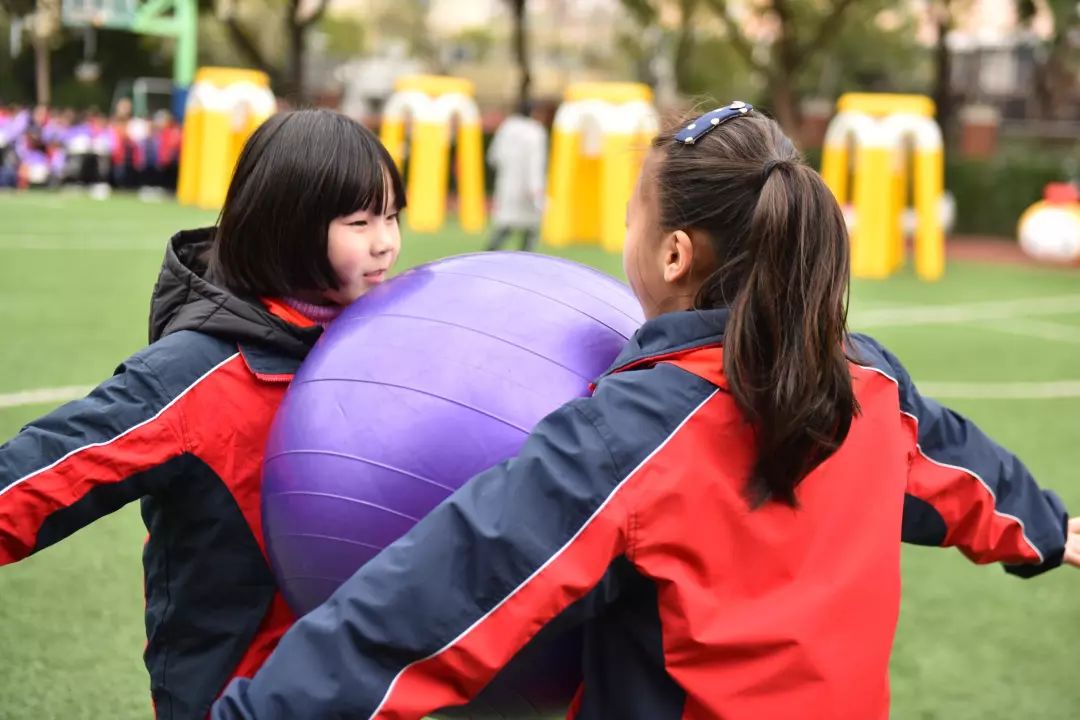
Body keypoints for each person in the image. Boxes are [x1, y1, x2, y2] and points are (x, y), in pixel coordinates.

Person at [212, 103, 1080, 720]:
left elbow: (444, 594)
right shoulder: (867, 384)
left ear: (672, 252)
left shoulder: (631, 435)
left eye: (633, 211)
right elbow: (962, 471)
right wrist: (1051, 527)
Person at [0, 109, 405, 720]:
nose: (385, 241)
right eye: (359, 221)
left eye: (392, 215)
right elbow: (43, 471)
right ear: (287, 227)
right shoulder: (198, 374)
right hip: (232, 695)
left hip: (364, 691)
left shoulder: (396, 345)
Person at [485, 100, 547, 252]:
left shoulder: (507, 128)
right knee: (531, 228)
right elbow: (535, 163)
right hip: (528, 188)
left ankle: (486, 256)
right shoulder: (535, 131)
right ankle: (526, 262)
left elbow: (493, 157)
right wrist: (536, 188)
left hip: (507, 184)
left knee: (505, 223)